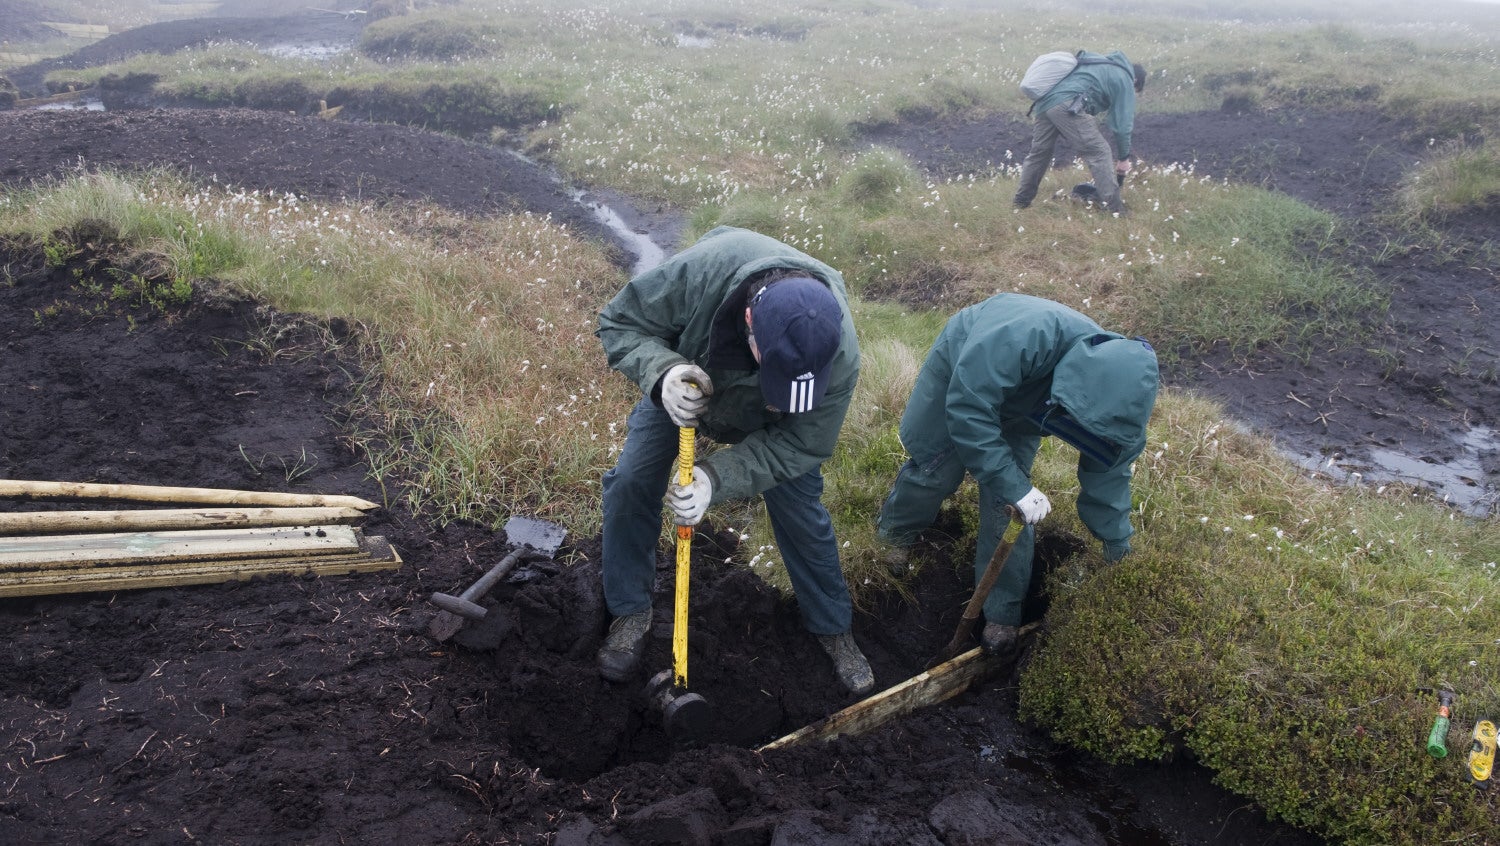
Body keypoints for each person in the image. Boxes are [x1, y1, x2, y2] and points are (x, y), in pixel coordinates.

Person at [593, 225, 875, 696]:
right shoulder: (700, 273)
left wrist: (712, 478)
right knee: (630, 484)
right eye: (777, 369)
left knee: (801, 509)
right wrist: (663, 373)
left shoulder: (837, 352)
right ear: (749, 321)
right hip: (685, 386)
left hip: (773, 420)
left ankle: (832, 628)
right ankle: (630, 609)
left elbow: (801, 445)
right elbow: (619, 322)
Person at [876, 293, 1159, 658]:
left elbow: (1108, 483)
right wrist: (1015, 484)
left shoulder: (1123, 418)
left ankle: (1002, 613)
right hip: (966, 371)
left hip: (1029, 408)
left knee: (1009, 508)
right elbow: (968, 411)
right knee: (936, 470)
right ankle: (894, 536)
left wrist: (1118, 548)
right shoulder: (1024, 336)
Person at [1013, 50, 1146, 214]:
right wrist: (1123, 158)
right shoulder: (1125, 77)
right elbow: (1123, 125)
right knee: (1099, 151)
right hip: (1067, 105)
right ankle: (1116, 210)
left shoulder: (1101, 63)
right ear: (1135, 80)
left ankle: (1021, 203)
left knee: (1039, 154)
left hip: (1045, 104)